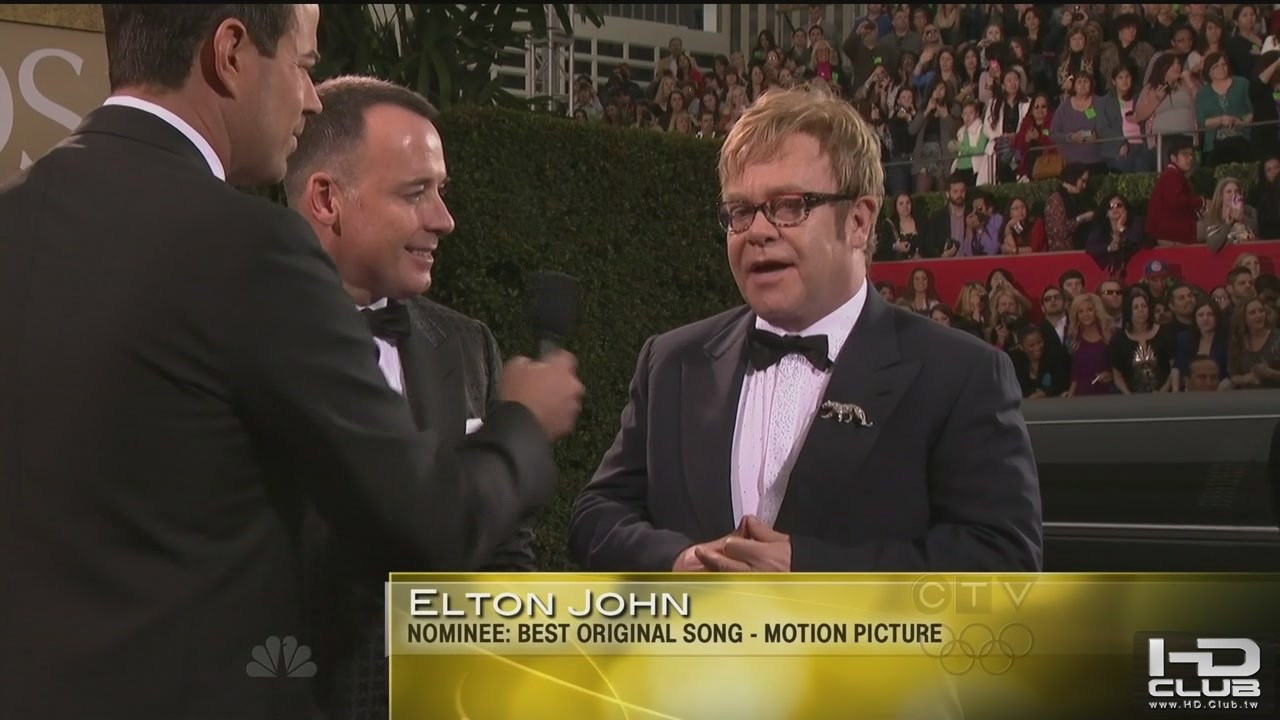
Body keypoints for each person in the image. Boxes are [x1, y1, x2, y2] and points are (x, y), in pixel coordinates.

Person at [0, 6, 582, 720]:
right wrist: (522, 421)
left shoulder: (15, 219)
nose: (310, 98)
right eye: (304, 66)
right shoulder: (247, 245)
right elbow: (427, 525)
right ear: (231, 52)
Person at [568, 85, 1042, 575]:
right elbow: (596, 517)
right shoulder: (671, 362)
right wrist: (678, 561)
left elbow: (1004, 560)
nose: (758, 231)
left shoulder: (960, 375)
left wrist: (810, 572)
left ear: (859, 221)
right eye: (740, 211)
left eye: (789, 205)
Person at [283, 75, 537, 720]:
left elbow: (507, 549)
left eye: (441, 191)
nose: (443, 220)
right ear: (326, 199)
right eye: (415, 192)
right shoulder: (245, 340)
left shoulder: (467, 344)